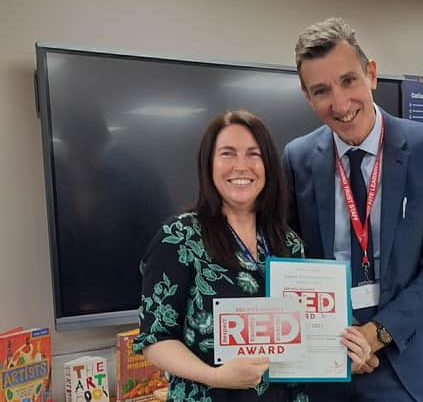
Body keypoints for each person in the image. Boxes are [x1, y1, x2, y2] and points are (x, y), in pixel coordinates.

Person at [133, 110, 371, 402]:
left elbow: (308, 329)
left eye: (253, 154)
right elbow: (156, 339)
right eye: (228, 154)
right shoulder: (179, 238)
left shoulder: (289, 243)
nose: (241, 166)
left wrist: (344, 352)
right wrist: (217, 376)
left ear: (268, 165)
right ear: (208, 164)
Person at [283, 18, 423, 401]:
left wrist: (375, 334)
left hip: (404, 360)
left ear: (372, 74)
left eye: (349, 81)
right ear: (307, 97)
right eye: (321, 91)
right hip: (326, 359)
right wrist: (344, 337)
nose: (341, 104)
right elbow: (290, 264)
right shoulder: (297, 159)